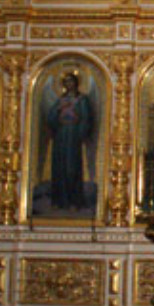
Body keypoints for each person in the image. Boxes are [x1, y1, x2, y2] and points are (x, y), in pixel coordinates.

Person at [46, 73, 94, 210]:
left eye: (71, 81)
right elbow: (51, 118)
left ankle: (74, 201)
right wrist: (58, 110)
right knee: (59, 168)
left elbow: (86, 118)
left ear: (76, 83)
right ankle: (60, 200)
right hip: (61, 136)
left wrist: (80, 132)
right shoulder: (61, 100)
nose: (69, 84)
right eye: (66, 82)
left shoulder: (82, 99)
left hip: (73, 136)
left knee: (71, 168)